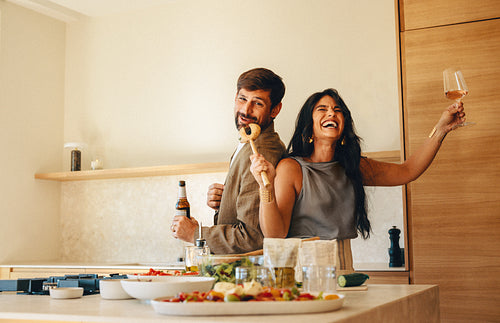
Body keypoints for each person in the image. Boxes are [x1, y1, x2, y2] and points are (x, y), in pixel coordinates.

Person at [249, 88, 466, 270]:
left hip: (345, 269)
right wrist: (263, 186)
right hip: (302, 271)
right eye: (322, 109)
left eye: (337, 110)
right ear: (309, 126)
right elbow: (275, 234)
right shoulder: (292, 168)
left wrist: (441, 130)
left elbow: (408, 171)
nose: (331, 114)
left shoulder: (352, 166)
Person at [171, 68, 287, 254]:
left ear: (275, 110)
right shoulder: (248, 142)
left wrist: (195, 233)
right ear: (235, 97)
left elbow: (251, 237)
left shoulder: (262, 152)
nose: (246, 110)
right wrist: (225, 202)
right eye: (242, 99)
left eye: (257, 103)